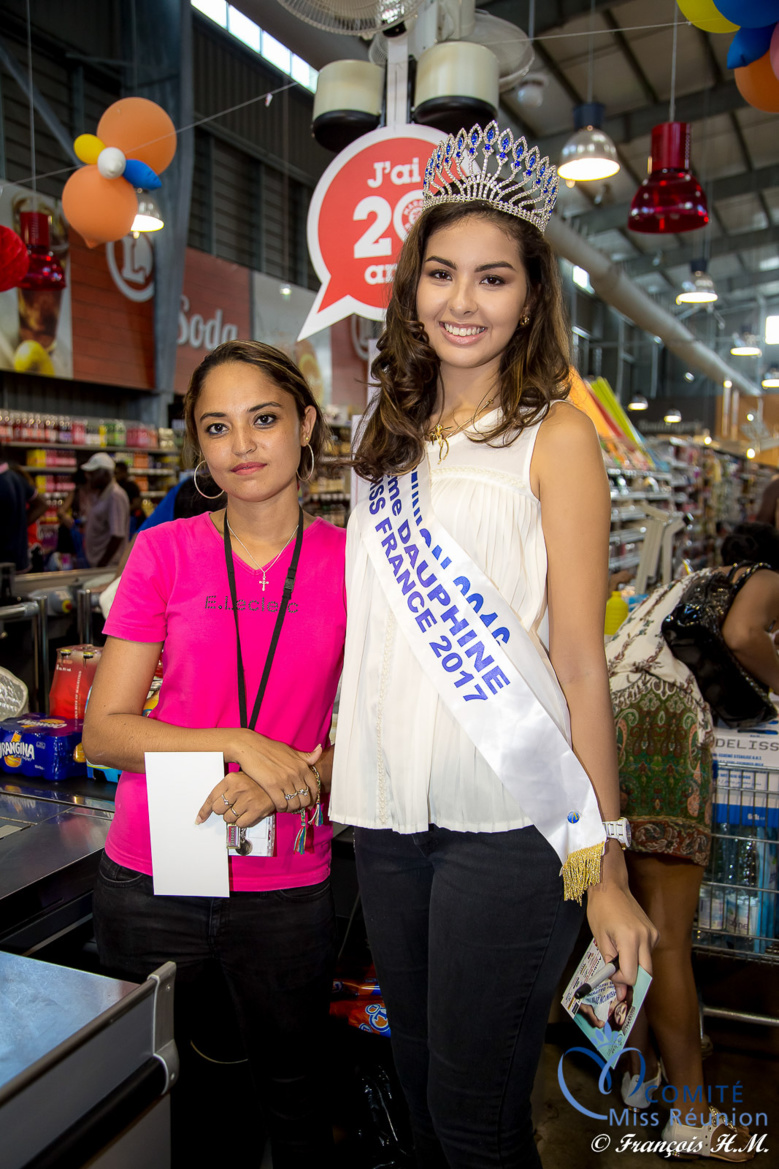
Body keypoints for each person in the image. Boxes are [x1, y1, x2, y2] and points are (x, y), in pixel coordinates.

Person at [329, 122, 657, 1169]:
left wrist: (602, 863)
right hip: (385, 819)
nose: (460, 302)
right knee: (420, 1091)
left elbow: (574, 662)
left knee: (474, 1121)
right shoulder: (380, 433)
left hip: (509, 826)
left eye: (490, 278)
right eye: (439, 273)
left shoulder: (554, 434)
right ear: (410, 284)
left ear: (529, 296)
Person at [82, 340, 346, 1168]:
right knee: (146, 1101)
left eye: (263, 419)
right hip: (152, 871)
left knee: (295, 1098)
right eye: (218, 427)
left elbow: (379, 732)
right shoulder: (163, 553)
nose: (243, 446)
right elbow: (104, 730)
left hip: (288, 884)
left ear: (305, 423)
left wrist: (291, 781)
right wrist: (238, 743)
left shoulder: (354, 563)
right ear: (198, 443)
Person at [607, 521, 779, 1160]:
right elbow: (742, 636)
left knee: (620, 919)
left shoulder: (681, 586)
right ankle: (692, 1117)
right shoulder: (761, 578)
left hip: (603, 721)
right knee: (669, 937)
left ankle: (637, 1075)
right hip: (658, 727)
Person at [81, 451, 130, 567]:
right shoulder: (100, 494)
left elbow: (117, 535)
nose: (89, 477)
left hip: (109, 566)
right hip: (98, 563)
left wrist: (102, 563)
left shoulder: (115, 496)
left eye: (93, 474)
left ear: (105, 474)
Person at [0, 460, 47, 572]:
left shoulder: (5, 480)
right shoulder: (14, 478)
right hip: (19, 560)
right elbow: (42, 504)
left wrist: (18, 524)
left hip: (6, 561)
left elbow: (42, 505)